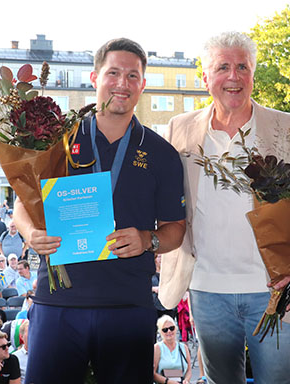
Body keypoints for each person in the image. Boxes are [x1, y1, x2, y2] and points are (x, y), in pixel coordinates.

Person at [15, 37, 186, 383]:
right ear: (94, 78)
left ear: (143, 84)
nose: (122, 84)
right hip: (58, 301)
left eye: (133, 76)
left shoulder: (162, 153)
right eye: (113, 73)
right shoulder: (57, 140)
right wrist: (31, 234)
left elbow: (176, 230)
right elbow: (21, 204)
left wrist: (147, 240)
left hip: (128, 306)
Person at [159, 31, 290, 384]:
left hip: (274, 289)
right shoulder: (178, 128)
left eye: (242, 66)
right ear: (205, 78)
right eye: (223, 67)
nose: (234, 76)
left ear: (253, 75)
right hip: (207, 289)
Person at [153, 315, 191, 384]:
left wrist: (186, 380)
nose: (169, 331)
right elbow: (153, 373)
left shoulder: (184, 347)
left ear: (176, 329)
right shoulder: (157, 348)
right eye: (165, 330)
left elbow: (189, 370)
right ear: (160, 332)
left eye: (172, 328)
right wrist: (169, 382)